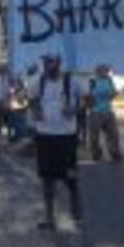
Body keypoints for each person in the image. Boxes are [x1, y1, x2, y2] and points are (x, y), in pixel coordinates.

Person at [31, 54, 83, 231]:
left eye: (52, 62)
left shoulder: (73, 81)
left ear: (59, 64)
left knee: (70, 174)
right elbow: (33, 100)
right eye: (46, 63)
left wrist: (75, 109)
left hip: (67, 136)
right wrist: (36, 110)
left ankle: (75, 201)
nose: (49, 66)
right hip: (45, 135)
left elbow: (88, 100)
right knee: (47, 178)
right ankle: (49, 217)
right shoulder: (37, 82)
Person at [86, 64, 122, 163]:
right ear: (97, 72)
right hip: (95, 112)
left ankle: (115, 153)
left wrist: (113, 95)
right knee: (94, 137)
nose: (105, 72)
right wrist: (90, 100)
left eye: (106, 71)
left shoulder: (109, 81)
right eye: (103, 71)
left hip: (108, 111)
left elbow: (114, 93)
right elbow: (87, 95)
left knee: (113, 134)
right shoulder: (92, 82)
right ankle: (96, 154)